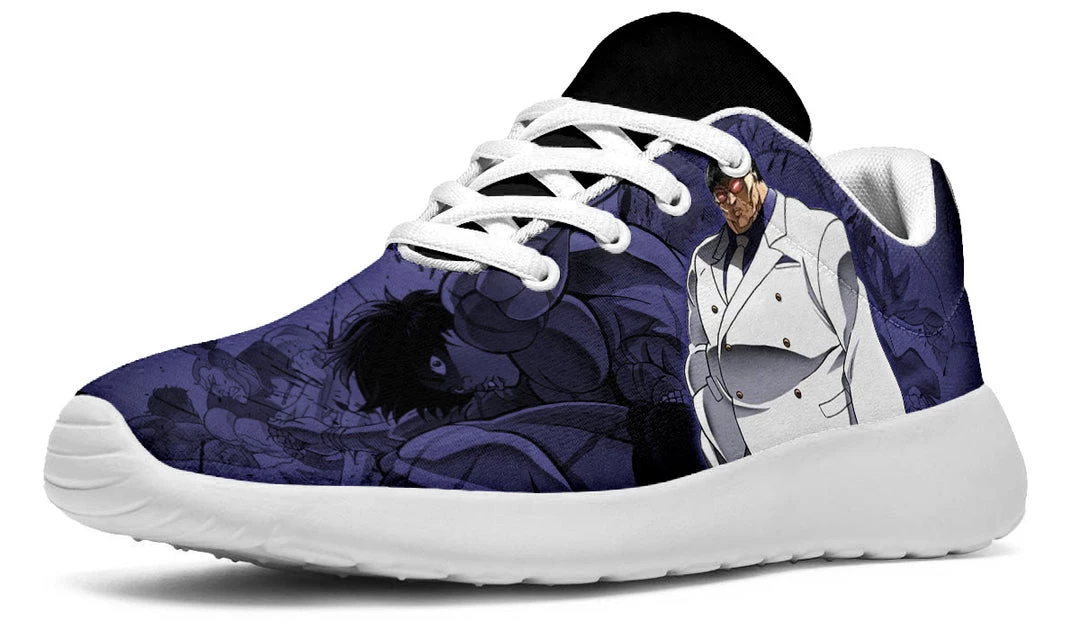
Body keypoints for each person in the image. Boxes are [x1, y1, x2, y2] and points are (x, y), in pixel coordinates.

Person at [686, 159, 905, 465]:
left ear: (754, 176)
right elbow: (701, 354)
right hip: (751, 452)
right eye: (721, 196)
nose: (732, 203)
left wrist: (889, 444)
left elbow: (859, 340)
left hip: (825, 438)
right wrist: (722, 445)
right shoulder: (704, 259)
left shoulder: (815, 233)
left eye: (736, 188)